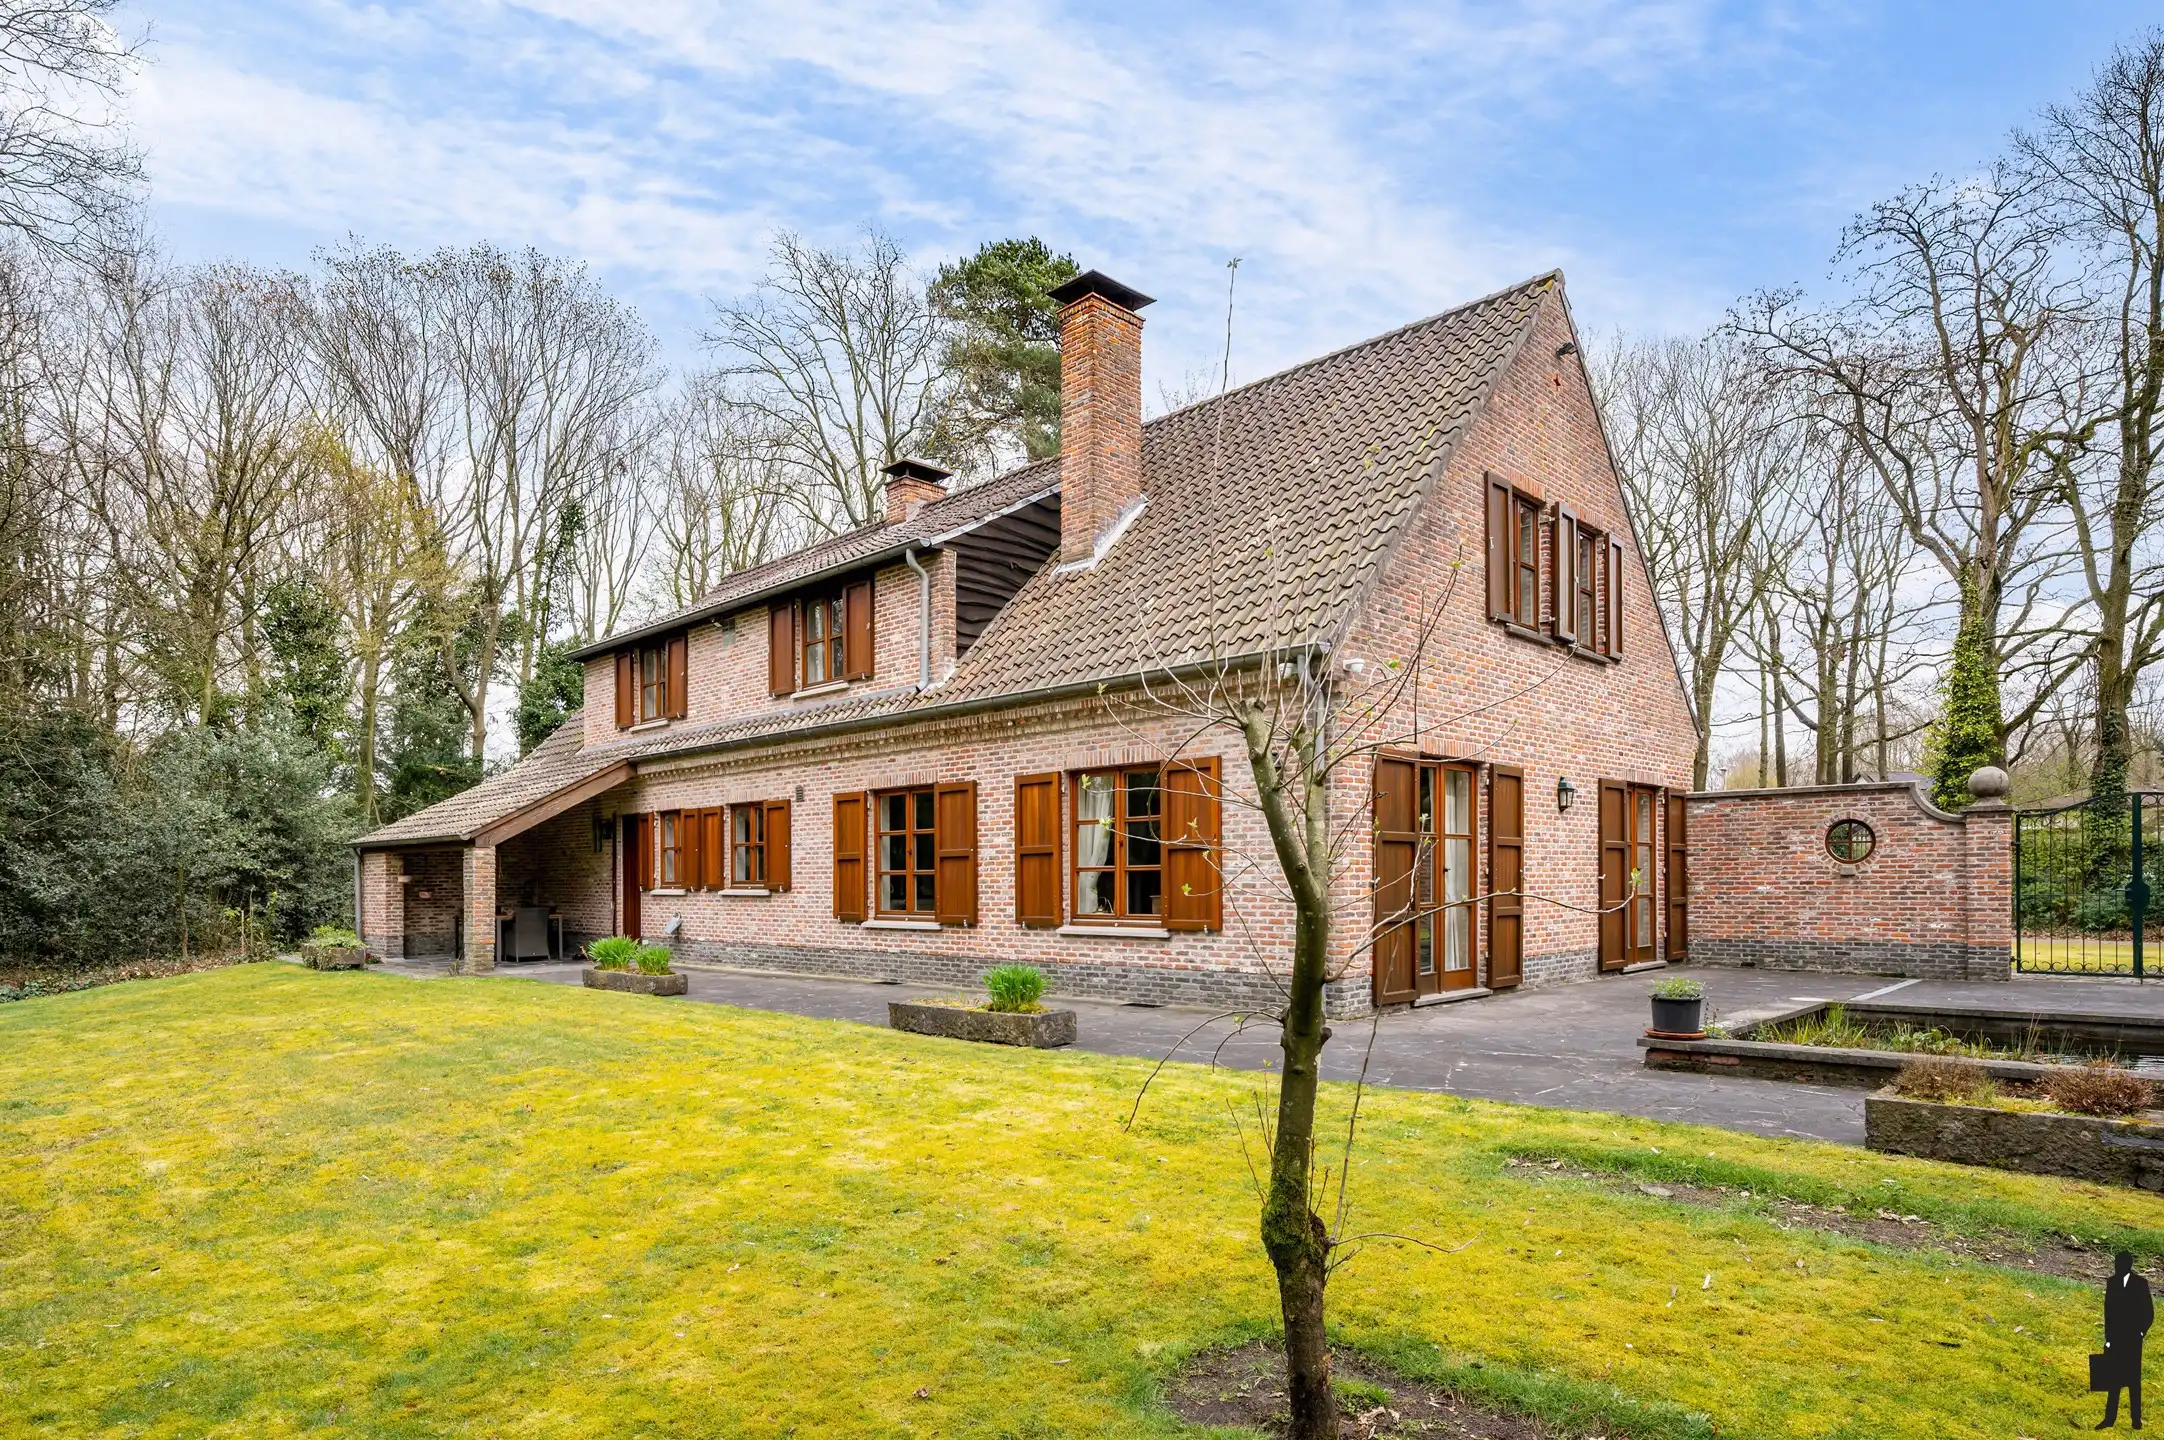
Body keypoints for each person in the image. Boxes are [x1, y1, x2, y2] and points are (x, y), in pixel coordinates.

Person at [2101, 1250, 2153, 1430]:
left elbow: (2148, 1312)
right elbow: (2108, 1313)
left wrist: (2140, 1332)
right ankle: (2109, 1419)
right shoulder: (2112, 1283)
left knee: (2133, 1381)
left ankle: (2136, 1420)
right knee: (2113, 1380)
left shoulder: (2140, 1284)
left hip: (2132, 1339)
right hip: (2116, 1339)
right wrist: (2108, 1338)